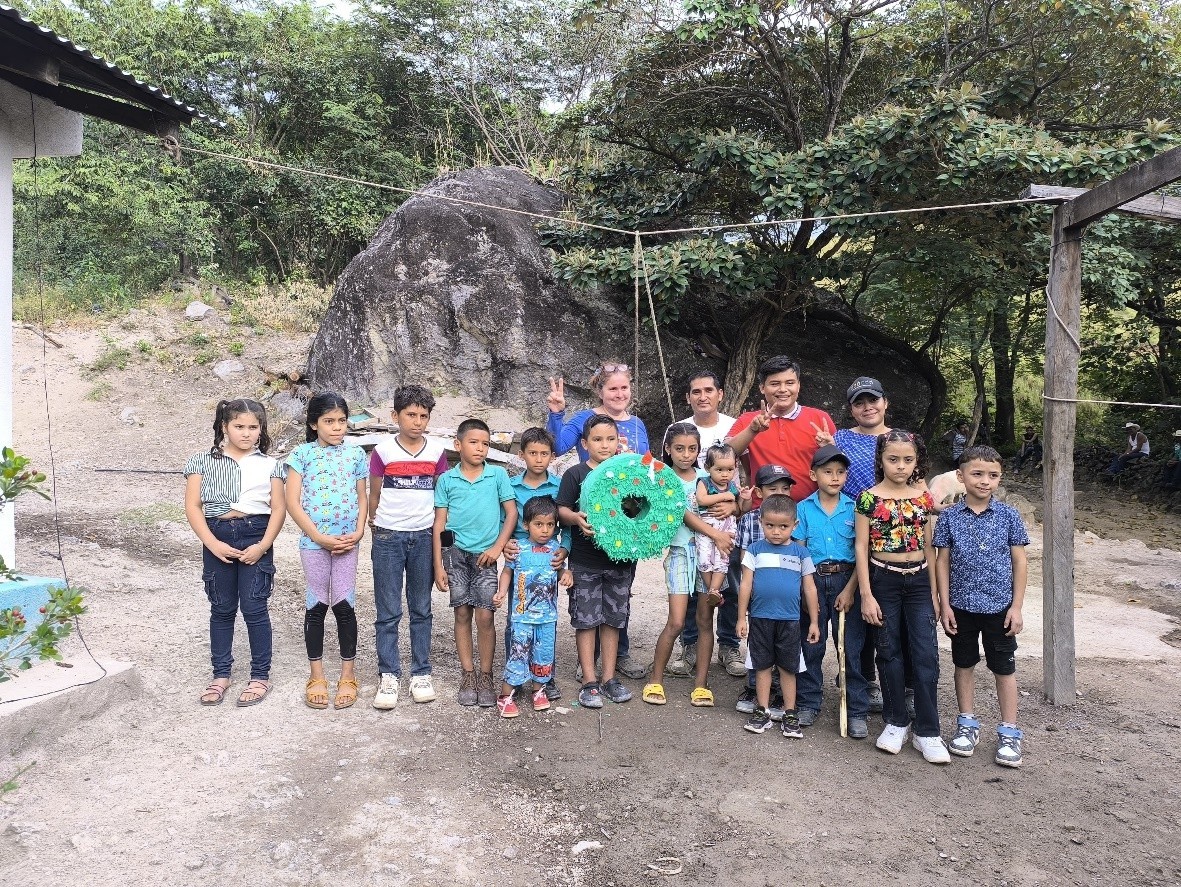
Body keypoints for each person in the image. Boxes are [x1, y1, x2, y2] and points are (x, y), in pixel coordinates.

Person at [546, 364, 649, 680]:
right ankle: (588, 663)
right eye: (612, 389)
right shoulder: (584, 421)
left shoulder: (636, 424)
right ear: (600, 391)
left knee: (620, 593)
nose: (619, 394)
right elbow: (558, 445)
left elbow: (646, 466)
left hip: (626, 519)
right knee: (590, 598)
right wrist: (556, 414)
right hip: (593, 513)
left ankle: (620, 655)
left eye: (624, 388)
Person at [183, 399, 286, 708]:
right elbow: (193, 506)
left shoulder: (271, 464)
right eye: (239, 426)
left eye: (253, 427)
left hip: (256, 533)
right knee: (222, 607)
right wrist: (212, 543)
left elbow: (279, 509)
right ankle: (221, 674)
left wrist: (263, 545)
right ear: (224, 427)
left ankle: (259, 675)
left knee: (255, 608)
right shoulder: (202, 461)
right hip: (217, 535)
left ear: (261, 430)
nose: (246, 433)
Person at [855, 430, 949, 764]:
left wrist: (937, 595)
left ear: (917, 462)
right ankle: (895, 721)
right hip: (883, 581)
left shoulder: (922, 500)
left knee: (925, 654)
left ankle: (928, 730)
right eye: (893, 459)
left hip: (920, 583)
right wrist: (866, 594)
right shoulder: (868, 498)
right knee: (889, 650)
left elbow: (929, 547)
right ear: (880, 460)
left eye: (908, 460)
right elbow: (861, 547)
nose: (900, 466)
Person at [934, 445, 1031, 768]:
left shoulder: (1009, 516)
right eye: (977, 474)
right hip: (960, 607)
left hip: (999, 608)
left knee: (1004, 667)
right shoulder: (948, 517)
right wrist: (944, 604)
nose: (985, 481)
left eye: (993, 475)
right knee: (964, 663)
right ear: (961, 477)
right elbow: (941, 562)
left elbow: (1019, 561)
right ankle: (967, 723)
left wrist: (1016, 607)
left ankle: (1009, 730)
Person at [285, 392, 369, 710]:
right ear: (313, 423)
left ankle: (348, 675)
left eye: (342, 421)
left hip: (348, 543)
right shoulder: (301, 455)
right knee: (318, 604)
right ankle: (317, 676)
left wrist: (359, 531)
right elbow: (293, 502)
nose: (337, 427)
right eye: (329, 421)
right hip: (314, 543)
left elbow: (362, 498)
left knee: (345, 606)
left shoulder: (356, 454)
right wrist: (318, 536)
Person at [642, 424, 734, 707]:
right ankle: (656, 679)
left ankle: (702, 685)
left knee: (706, 620)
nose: (685, 454)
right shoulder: (662, 477)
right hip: (682, 552)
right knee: (677, 621)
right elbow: (681, 513)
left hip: (712, 556)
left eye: (692, 449)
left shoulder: (708, 477)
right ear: (668, 449)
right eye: (679, 448)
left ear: (699, 451)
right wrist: (715, 533)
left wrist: (735, 506)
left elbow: (734, 499)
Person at [369, 385, 449, 709]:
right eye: (410, 415)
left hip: (424, 537)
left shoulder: (437, 451)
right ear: (395, 416)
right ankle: (389, 675)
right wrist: (377, 523)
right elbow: (374, 495)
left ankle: (421, 672)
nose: (417, 422)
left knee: (421, 608)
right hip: (388, 537)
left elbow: (441, 499)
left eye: (423, 416)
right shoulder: (382, 451)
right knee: (388, 611)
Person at [433, 419, 518, 707]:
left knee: (485, 616)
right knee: (461, 614)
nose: (480, 448)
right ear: (458, 445)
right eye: (474, 442)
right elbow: (440, 524)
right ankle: (467, 674)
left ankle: (486, 675)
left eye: (485, 443)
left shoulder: (497, 475)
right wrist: (439, 564)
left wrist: (497, 548)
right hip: (455, 555)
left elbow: (511, 513)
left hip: (485, 557)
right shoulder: (447, 479)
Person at [556, 414, 638, 707]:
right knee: (586, 620)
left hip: (620, 562)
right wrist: (576, 517)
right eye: (597, 439)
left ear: (619, 442)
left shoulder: (628, 475)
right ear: (584, 443)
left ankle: (609, 678)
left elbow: (639, 510)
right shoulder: (576, 474)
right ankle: (589, 681)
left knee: (614, 621)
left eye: (611, 439)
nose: (605, 445)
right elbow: (561, 509)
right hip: (585, 562)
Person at [793, 445, 869, 739]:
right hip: (812, 581)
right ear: (814, 474)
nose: (835, 477)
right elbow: (798, 553)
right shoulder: (802, 508)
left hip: (845, 583)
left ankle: (856, 710)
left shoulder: (854, 508)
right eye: (828, 472)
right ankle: (809, 702)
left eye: (840, 472)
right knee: (811, 643)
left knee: (850, 647)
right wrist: (805, 587)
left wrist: (851, 590)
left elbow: (860, 554)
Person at [675, 372, 742, 678]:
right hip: (693, 523)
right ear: (688, 397)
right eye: (695, 391)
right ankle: (690, 644)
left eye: (708, 390)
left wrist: (737, 504)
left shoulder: (733, 427)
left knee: (730, 580)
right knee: (693, 586)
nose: (702, 396)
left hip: (730, 518)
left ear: (720, 393)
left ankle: (729, 646)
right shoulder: (680, 429)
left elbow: (748, 474)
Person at [736, 494, 820, 737]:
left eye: (783, 526)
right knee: (761, 665)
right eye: (770, 525)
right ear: (761, 522)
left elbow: (810, 588)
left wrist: (814, 621)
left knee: (788, 667)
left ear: (794, 526)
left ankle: (789, 713)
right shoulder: (754, 550)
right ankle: (761, 710)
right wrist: (742, 617)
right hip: (760, 618)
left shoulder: (801, 554)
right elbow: (745, 585)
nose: (775, 531)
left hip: (790, 620)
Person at [831, 375, 891, 713]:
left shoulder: (902, 440)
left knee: (887, 607)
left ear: (885, 402)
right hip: (850, 528)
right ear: (852, 409)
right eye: (859, 402)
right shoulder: (839, 438)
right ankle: (859, 677)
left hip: (893, 531)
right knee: (854, 606)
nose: (868, 407)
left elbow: (920, 482)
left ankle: (898, 682)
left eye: (873, 399)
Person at [502, 427, 567, 702]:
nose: (538, 459)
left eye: (544, 454)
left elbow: (566, 524)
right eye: (533, 453)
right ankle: (514, 677)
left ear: (552, 457)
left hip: (548, 557)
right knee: (515, 622)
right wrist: (504, 544)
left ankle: (543, 680)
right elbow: (503, 518)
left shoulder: (559, 486)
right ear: (522, 455)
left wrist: (564, 550)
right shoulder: (511, 485)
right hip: (519, 557)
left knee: (545, 625)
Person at [492, 496, 572, 718]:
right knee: (518, 655)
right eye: (539, 524)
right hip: (522, 616)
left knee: (543, 654)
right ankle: (506, 695)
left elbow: (560, 571)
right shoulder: (518, 548)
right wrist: (501, 592)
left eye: (550, 525)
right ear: (526, 525)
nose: (545, 530)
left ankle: (539, 691)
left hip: (547, 618)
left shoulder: (556, 549)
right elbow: (507, 571)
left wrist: (565, 574)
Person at [732, 465, 796, 719]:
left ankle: (781, 692)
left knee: (786, 644)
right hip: (758, 595)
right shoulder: (750, 520)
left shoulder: (793, 518)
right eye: (772, 488)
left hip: (786, 597)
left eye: (785, 488)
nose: (779, 493)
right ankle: (753, 688)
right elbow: (744, 562)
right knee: (758, 643)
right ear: (759, 491)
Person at [727, 355, 835, 503]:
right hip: (762, 511)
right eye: (775, 383)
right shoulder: (748, 420)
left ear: (798, 385)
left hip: (811, 510)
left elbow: (838, 468)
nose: (783, 389)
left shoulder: (819, 418)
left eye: (789, 383)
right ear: (762, 388)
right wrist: (752, 431)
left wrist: (831, 448)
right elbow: (724, 454)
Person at [695, 443, 741, 608]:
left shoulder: (733, 486)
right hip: (707, 527)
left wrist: (746, 497)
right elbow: (702, 500)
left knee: (722, 560)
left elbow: (740, 506)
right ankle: (712, 591)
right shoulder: (704, 482)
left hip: (727, 527)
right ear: (708, 468)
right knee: (704, 558)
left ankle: (714, 591)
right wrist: (725, 496)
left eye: (729, 470)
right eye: (719, 470)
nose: (725, 474)